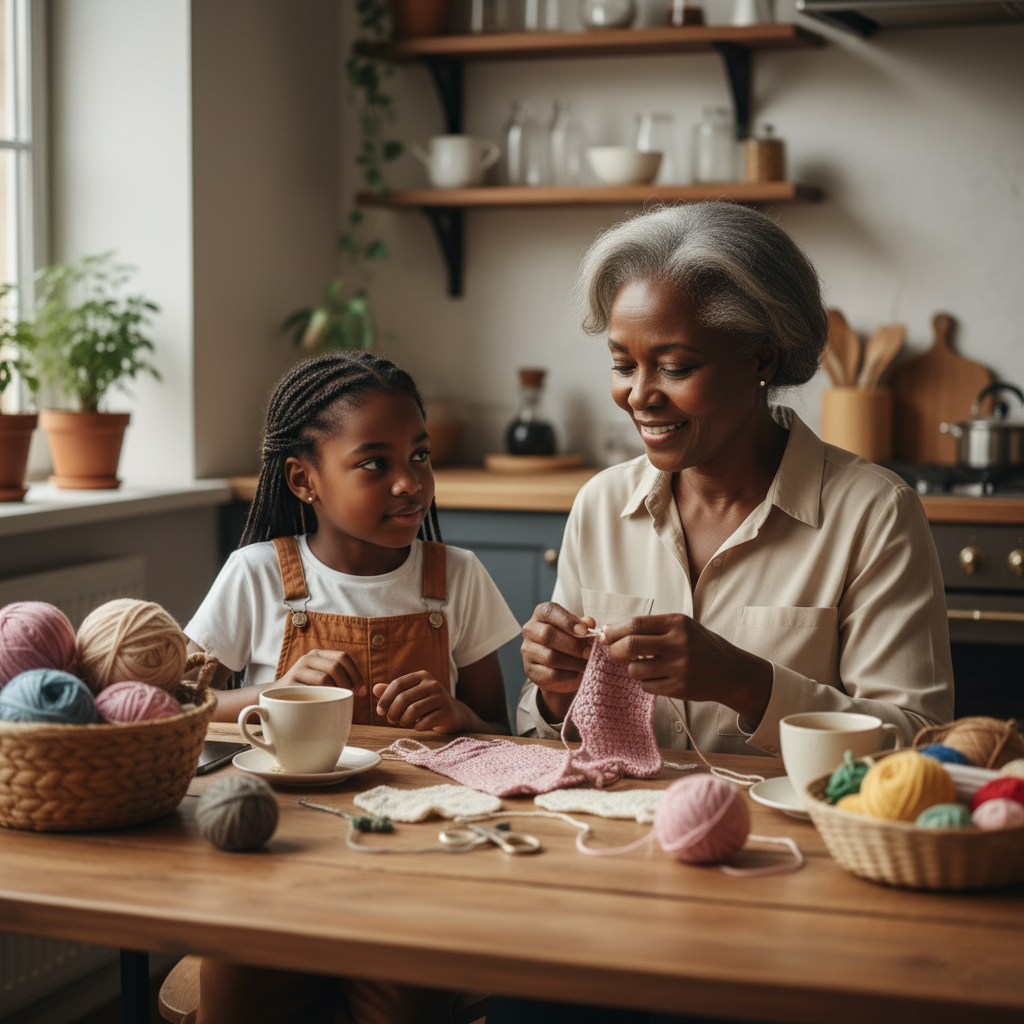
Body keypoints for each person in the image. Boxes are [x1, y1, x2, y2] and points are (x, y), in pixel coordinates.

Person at [518, 202, 953, 760]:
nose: (640, 396)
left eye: (675, 367)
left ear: (760, 360)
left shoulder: (875, 514)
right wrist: (556, 693)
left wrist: (747, 684)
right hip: (619, 835)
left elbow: (920, 743)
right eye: (624, 365)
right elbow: (537, 734)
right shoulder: (601, 505)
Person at [186, 351, 521, 1024]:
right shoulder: (253, 576)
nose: (409, 483)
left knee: (402, 998)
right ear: (304, 479)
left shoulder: (459, 576)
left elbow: (503, 737)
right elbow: (176, 710)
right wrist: (270, 693)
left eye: (419, 457)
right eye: (376, 462)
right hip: (274, 854)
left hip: (417, 861)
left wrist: (457, 716)